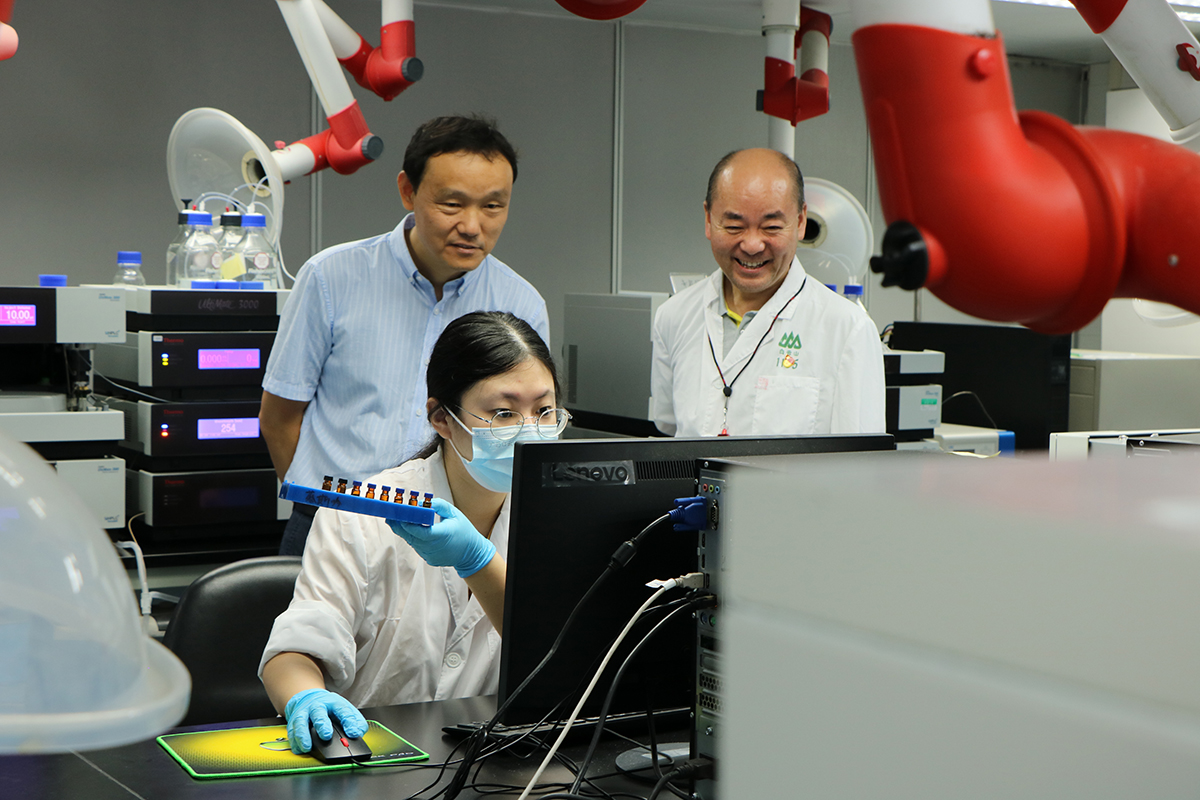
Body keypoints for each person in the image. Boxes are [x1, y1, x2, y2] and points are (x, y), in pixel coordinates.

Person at [259, 311, 566, 755]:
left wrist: (477, 562)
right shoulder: (362, 514)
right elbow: (298, 648)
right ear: (441, 419)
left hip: (495, 759)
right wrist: (305, 695)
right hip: (377, 759)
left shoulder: (558, 518)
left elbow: (560, 656)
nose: (529, 431)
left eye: (544, 410)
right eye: (502, 412)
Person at [261, 115, 550, 557]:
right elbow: (280, 416)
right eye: (452, 204)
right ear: (407, 191)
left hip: (453, 532)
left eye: (493, 206)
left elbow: (528, 434)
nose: (473, 226)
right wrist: (326, 509)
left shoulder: (520, 302)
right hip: (334, 521)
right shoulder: (330, 278)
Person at [651, 148, 885, 437]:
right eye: (734, 226)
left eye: (771, 227)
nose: (751, 245)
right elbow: (667, 426)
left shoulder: (847, 329)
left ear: (800, 222)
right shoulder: (674, 316)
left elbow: (858, 466)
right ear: (708, 220)